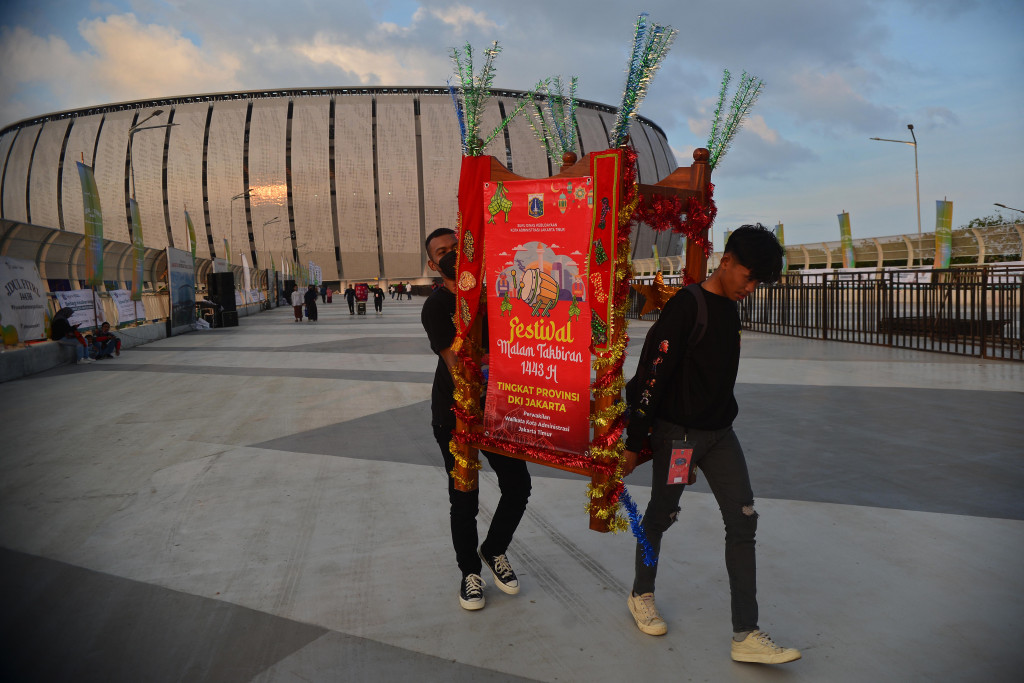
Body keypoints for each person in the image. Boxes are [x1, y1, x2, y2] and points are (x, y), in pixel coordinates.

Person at [621, 224, 801, 665]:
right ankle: (641, 593)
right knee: (660, 516)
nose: (751, 287)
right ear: (726, 261)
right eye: (749, 276)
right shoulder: (687, 306)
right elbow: (650, 375)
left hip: (721, 436)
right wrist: (635, 441)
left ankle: (747, 633)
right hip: (678, 438)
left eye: (759, 281)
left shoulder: (730, 308)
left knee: (743, 521)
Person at [421, 227, 531, 611]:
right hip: (454, 414)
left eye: (456, 247)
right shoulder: (436, 306)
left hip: (498, 409)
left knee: (518, 485)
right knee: (463, 497)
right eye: (442, 252)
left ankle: (493, 549)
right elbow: (454, 364)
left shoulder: (494, 294)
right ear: (433, 264)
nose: (451, 253)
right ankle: (469, 572)